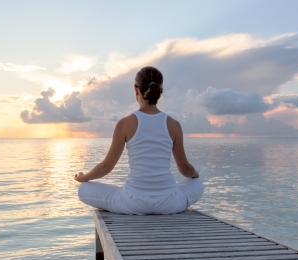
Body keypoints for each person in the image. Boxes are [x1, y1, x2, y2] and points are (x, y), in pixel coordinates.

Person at [74, 66, 204, 215]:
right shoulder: (174, 125)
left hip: (133, 202)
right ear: (160, 91)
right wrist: (196, 173)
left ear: (136, 90)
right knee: (197, 183)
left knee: (84, 189)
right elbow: (185, 170)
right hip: (169, 202)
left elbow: (106, 167)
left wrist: (84, 177)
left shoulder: (124, 124)